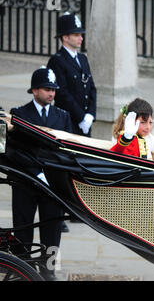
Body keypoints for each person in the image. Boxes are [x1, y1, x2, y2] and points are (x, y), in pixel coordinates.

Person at [10, 67, 73, 281]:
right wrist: (37, 172)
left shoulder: (62, 116)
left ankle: (48, 271)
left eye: (54, 90)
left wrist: (50, 174)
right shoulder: (19, 114)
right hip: (25, 182)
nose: (52, 94)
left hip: (52, 185)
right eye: (47, 89)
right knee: (23, 230)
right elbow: (15, 151)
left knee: (52, 232)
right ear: (34, 90)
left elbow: (66, 152)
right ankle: (22, 271)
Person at [47, 12, 97, 136]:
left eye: (81, 34)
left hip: (86, 121)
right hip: (68, 121)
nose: (81, 38)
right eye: (76, 35)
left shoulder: (82, 58)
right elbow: (61, 94)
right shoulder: (57, 60)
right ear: (65, 37)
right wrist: (81, 117)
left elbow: (91, 88)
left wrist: (90, 115)